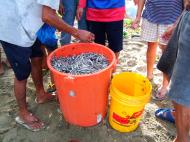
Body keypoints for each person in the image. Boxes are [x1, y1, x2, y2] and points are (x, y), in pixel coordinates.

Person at [0, 0, 94, 131]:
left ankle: (41, 94)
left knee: (37, 57)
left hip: (29, 23)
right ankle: (23, 114)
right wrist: (77, 33)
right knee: (22, 74)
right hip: (12, 29)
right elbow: (47, 16)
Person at [132, 0, 183, 100]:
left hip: (171, 19)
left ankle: (165, 85)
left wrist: (176, 25)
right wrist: (138, 16)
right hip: (150, 16)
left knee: (166, 51)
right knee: (151, 45)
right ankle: (149, 75)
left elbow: (186, 5)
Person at [155, 1, 190, 141]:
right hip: (186, 15)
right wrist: (178, 24)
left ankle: (181, 138)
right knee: (170, 66)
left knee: (180, 90)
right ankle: (179, 115)